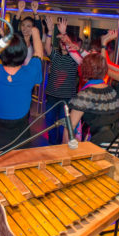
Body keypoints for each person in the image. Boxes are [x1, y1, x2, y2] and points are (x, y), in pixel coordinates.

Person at [0, 29, 43, 152]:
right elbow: (39, 53)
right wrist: (35, 31)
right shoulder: (30, 72)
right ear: (24, 53)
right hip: (21, 133)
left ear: (1, 53)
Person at [63, 53, 119, 150]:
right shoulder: (112, 91)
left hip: (101, 146)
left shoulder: (85, 95)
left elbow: (69, 129)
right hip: (118, 143)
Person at [44, 16, 80, 145]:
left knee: (63, 125)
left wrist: (66, 37)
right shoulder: (55, 55)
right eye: (61, 42)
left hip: (67, 98)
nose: (63, 44)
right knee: (50, 124)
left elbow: (81, 60)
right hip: (52, 96)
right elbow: (47, 47)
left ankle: (60, 146)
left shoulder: (74, 58)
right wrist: (49, 31)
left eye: (66, 42)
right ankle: (53, 145)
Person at [12, 0, 43, 65]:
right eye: (23, 25)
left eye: (28, 26)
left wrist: (35, 12)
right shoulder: (18, 39)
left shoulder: (34, 41)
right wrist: (19, 11)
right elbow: (14, 27)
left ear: (33, 28)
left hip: (29, 72)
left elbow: (39, 30)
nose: (24, 28)